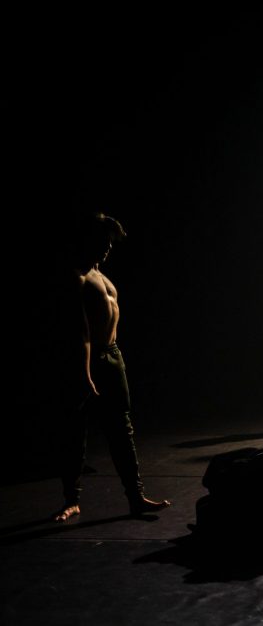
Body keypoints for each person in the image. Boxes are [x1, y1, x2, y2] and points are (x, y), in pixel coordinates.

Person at [55, 213, 171, 522]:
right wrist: (84, 373)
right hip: (87, 359)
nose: (107, 247)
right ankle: (71, 500)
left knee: (122, 429)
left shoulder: (102, 276)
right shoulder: (77, 276)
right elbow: (81, 333)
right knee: (76, 432)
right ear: (87, 240)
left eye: (109, 242)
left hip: (112, 355)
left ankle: (135, 497)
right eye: (102, 241)